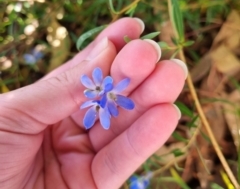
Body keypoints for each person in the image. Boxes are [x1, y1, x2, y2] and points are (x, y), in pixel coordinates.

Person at [0, 18, 187, 189]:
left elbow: (107, 92)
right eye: (99, 102)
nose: (104, 99)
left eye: (102, 99)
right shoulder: (98, 96)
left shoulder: (109, 92)